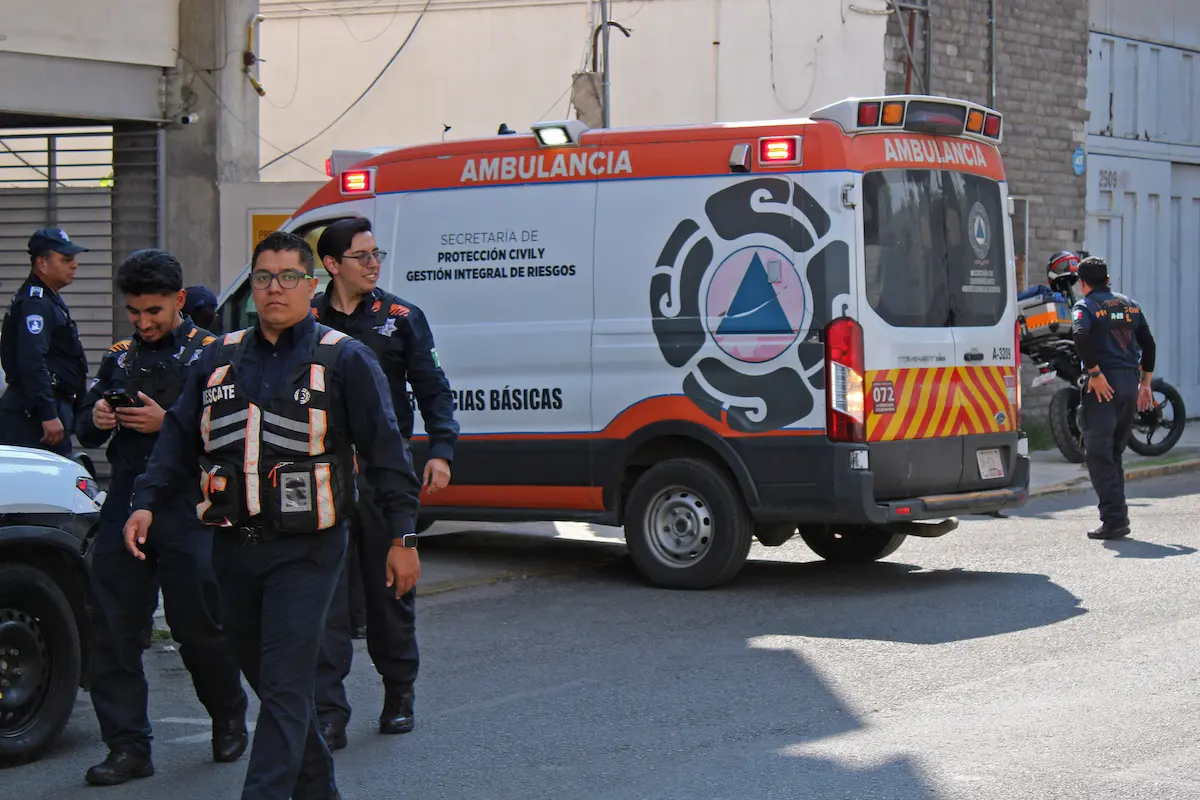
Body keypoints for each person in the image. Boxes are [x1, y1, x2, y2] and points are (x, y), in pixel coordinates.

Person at [123, 231, 423, 800]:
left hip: (308, 551)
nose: (275, 289)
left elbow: (388, 455)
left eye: (289, 277)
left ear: (312, 286)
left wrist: (403, 537)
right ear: (252, 287)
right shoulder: (219, 355)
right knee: (271, 685)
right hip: (232, 548)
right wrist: (145, 502)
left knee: (286, 686)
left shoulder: (345, 358)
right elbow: (180, 437)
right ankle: (319, 791)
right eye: (263, 278)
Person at [75, 249, 250, 785]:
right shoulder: (122, 356)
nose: (144, 323)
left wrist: (168, 423)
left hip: (189, 506)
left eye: (153, 311)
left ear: (179, 300)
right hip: (127, 503)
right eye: (134, 312)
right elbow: (84, 430)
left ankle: (227, 715)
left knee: (197, 623)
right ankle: (128, 746)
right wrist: (100, 415)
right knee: (111, 627)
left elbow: (239, 436)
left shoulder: (214, 354)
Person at [311, 216, 459, 749]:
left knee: (390, 591)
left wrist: (441, 450)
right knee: (324, 600)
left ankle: (400, 691)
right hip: (321, 478)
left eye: (377, 254)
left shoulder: (401, 318)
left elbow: (434, 390)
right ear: (332, 265)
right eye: (362, 256)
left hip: (382, 477)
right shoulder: (306, 320)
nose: (374, 263)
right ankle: (329, 711)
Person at [1070, 255, 1157, 540]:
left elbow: (1080, 336)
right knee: (1114, 453)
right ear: (1107, 279)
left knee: (1098, 454)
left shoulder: (1085, 306)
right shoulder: (1130, 306)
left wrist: (1094, 373)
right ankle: (1116, 518)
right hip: (1129, 385)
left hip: (1103, 387)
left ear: (1083, 284)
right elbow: (1149, 344)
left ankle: (1115, 519)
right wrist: (1145, 383)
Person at [0, 227, 89, 456]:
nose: (74, 265)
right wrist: (47, 413)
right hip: (32, 415)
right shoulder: (36, 304)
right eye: (66, 259)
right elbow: (31, 360)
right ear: (42, 264)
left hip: (45, 408)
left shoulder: (48, 298)